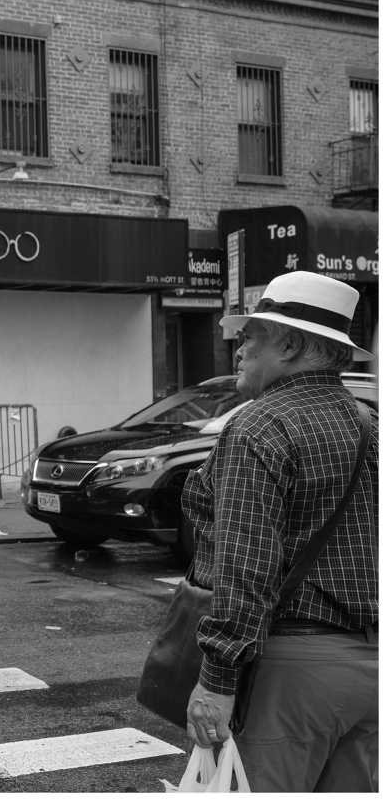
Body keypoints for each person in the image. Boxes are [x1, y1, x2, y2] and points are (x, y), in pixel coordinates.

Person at [182, 270, 376, 792]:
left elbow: (247, 568)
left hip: (293, 673)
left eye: (251, 334)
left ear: (289, 344)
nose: (237, 346)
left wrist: (217, 682)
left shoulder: (258, 425)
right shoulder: (371, 424)